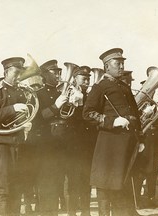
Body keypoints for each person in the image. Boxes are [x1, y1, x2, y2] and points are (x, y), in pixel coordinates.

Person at [83, 48, 144, 216]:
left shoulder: (124, 86)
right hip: (109, 144)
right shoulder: (100, 86)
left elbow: (135, 113)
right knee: (105, 185)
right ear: (107, 66)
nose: (121, 66)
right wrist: (113, 121)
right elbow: (87, 113)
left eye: (123, 63)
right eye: (118, 63)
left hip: (127, 144)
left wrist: (141, 138)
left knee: (122, 185)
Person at [0, 57, 30, 216]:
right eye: (16, 72)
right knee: (4, 185)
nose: (19, 76)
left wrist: (28, 123)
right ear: (6, 72)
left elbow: (28, 113)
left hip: (18, 142)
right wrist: (13, 108)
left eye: (21, 73)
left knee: (17, 183)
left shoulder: (22, 92)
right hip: (3, 143)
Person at [31, 59, 68, 216]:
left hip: (61, 144)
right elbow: (37, 118)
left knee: (59, 182)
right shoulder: (37, 95)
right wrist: (56, 106)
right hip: (45, 144)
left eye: (59, 72)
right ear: (45, 75)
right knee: (46, 183)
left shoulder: (61, 93)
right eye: (55, 72)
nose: (59, 75)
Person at [64, 66, 98, 216]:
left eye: (88, 79)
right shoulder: (68, 94)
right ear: (75, 79)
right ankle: (71, 212)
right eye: (84, 79)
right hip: (72, 145)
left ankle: (86, 212)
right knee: (72, 181)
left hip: (88, 145)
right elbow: (66, 117)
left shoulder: (91, 96)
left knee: (86, 181)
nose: (87, 82)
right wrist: (74, 103)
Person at [134, 80, 158, 209]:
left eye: (153, 91)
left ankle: (150, 198)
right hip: (143, 143)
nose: (151, 94)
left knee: (153, 173)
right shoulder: (138, 106)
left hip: (154, 145)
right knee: (140, 173)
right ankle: (137, 199)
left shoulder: (155, 107)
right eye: (149, 91)